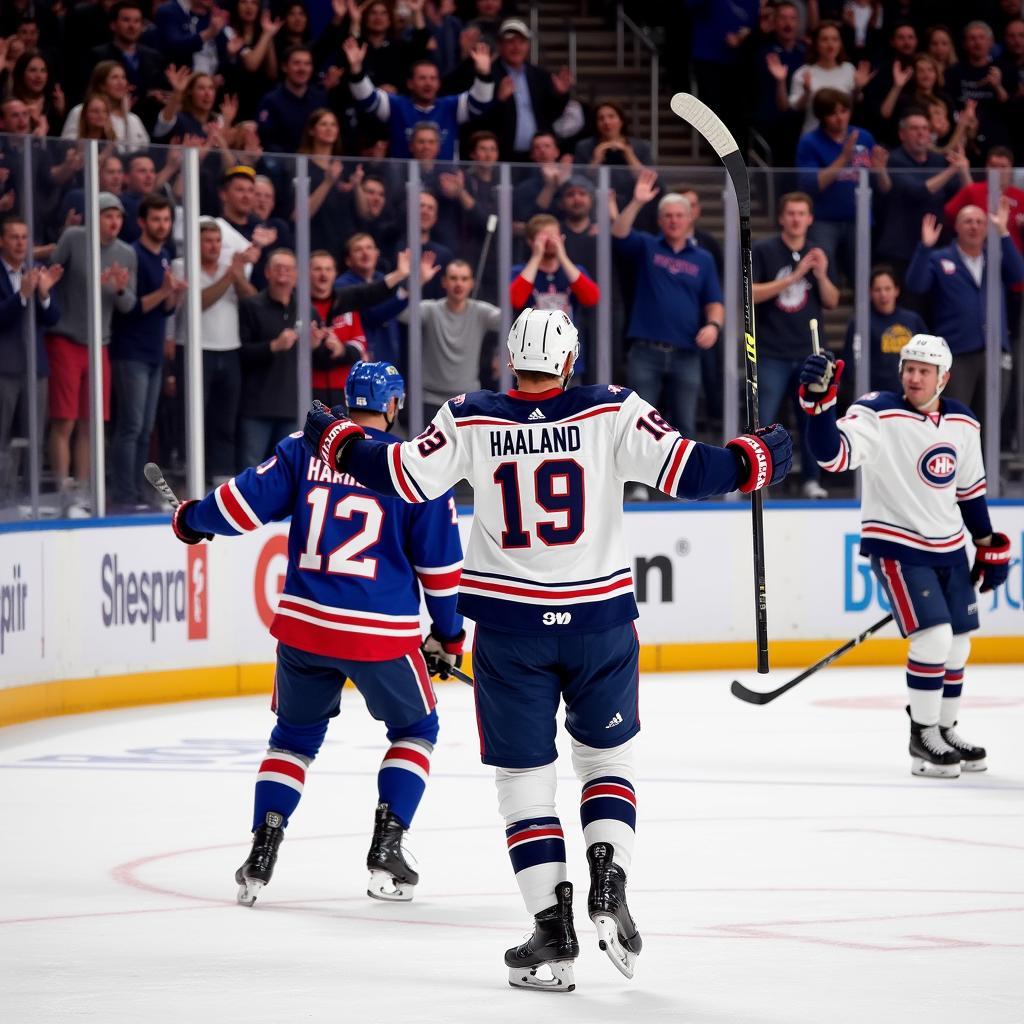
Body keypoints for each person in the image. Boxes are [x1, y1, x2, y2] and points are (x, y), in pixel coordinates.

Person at [301, 307, 793, 990]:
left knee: (525, 783)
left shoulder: (472, 415)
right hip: (600, 626)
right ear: (569, 363)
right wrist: (762, 454)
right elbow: (695, 472)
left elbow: (402, 475)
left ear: (510, 362)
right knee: (605, 760)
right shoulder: (612, 409)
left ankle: (551, 931)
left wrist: (336, 439)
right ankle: (607, 876)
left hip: (510, 633)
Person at [170, 359, 465, 904]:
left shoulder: (304, 449)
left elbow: (237, 505)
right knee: (416, 730)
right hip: (379, 634)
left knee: (292, 740)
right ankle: (387, 847)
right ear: (394, 406)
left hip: (304, 628)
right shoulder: (414, 465)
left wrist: (192, 520)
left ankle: (261, 852)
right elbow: (441, 569)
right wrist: (447, 636)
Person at [799, 335, 1010, 777]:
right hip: (896, 545)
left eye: (924, 371)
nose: (913, 377)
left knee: (958, 643)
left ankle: (946, 729)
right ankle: (923, 735)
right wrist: (820, 405)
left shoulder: (964, 423)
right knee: (932, 638)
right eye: (909, 368)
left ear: (944, 378)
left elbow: (969, 493)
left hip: (949, 546)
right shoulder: (877, 413)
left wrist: (987, 542)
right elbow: (831, 455)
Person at [612, 170, 725, 452]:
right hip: (645, 351)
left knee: (685, 424)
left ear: (690, 219)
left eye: (679, 215)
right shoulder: (647, 246)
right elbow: (619, 233)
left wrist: (714, 326)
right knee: (639, 423)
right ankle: (638, 486)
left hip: (686, 352)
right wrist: (637, 202)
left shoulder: (703, 258)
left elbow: (714, 301)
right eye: (668, 216)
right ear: (660, 220)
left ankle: (682, 489)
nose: (674, 220)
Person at [47, 192, 137, 515]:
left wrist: (119, 288)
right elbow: (52, 275)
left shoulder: (126, 253)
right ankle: (62, 488)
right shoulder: (73, 238)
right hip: (66, 339)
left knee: (91, 422)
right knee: (65, 419)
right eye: (107, 215)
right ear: (94, 216)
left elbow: (129, 306)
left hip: (100, 345)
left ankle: (82, 492)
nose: (113, 222)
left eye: (118, 217)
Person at [751, 190, 839, 498]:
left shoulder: (819, 252)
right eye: (791, 213)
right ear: (781, 217)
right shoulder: (764, 250)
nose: (796, 219)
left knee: (812, 419)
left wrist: (822, 275)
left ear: (810, 219)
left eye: (802, 214)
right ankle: (762, 481)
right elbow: (751, 293)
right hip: (772, 351)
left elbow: (831, 300)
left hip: (808, 354)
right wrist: (794, 277)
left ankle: (812, 480)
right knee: (766, 421)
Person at [904, 204, 1024, 423]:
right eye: (968, 221)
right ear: (957, 226)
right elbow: (916, 285)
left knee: (991, 423)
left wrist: (1004, 233)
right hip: (956, 353)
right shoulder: (940, 258)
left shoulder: (995, 256)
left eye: (980, 222)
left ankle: (987, 460)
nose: (974, 227)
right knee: (956, 420)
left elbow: (1019, 275)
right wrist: (925, 248)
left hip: (995, 351)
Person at [109, 193, 187, 509]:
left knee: (144, 428)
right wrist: (165, 292)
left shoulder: (165, 255)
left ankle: (139, 492)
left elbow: (163, 311)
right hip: (131, 350)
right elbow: (130, 308)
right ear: (142, 222)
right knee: (130, 426)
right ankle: (123, 493)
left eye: (166, 219)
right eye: (155, 219)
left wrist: (174, 297)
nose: (162, 225)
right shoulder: (133, 254)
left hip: (153, 351)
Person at [171, 216, 257, 484]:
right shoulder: (181, 266)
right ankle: (191, 469)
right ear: (196, 243)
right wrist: (229, 277)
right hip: (195, 349)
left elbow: (252, 301)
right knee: (194, 415)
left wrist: (237, 277)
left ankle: (222, 474)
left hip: (229, 349)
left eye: (218, 241)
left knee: (226, 416)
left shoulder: (229, 267)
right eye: (208, 240)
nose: (214, 246)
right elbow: (197, 302)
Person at [343, 35, 493, 161]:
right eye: (422, 78)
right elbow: (366, 98)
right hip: (401, 184)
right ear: (410, 83)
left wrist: (484, 75)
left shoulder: (451, 106)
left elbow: (481, 104)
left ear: (439, 83)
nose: (428, 83)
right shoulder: (396, 105)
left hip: (444, 186)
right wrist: (356, 70)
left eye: (433, 78)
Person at [0, 216, 62, 502]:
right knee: (3, 436)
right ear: (2, 241)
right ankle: (3, 495)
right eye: (14, 237)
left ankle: (30, 498)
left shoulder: (34, 272)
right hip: (5, 368)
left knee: (34, 436)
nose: (20, 243)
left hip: (35, 367)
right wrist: (21, 297)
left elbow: (52, 319)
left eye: (25, 238)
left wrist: (45, 294)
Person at [399, 258, 500, 421]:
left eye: (464, 279)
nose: (459, 284)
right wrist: (418, 282)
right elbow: (400, 312)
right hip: (429, 401)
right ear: (444, 282)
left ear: (472, 283)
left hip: (468, 401)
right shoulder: (430, 309)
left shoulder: (481, 312)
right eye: (453, 278)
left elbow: (512, 320)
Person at [844, 265, 928, 393]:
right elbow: (851, 364)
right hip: (874, 394)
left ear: (896, 290)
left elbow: (927, 357)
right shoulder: (860, 323)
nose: (883, 294)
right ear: (870, 292)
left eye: (888, 289)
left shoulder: (913, 320)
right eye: (878, 290)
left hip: (910, 392)